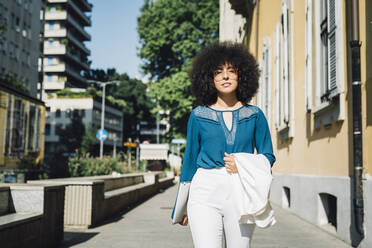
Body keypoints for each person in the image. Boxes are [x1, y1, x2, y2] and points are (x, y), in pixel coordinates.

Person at [172, 41, 276, 248]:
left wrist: (243, 164)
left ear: (242, 75)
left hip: (241, 191)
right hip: (204, 191)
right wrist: (181, 207)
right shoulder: (198, 115)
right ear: (210, 78)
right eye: (218, 72)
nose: (225, 76)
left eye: (231, 71)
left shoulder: (255, 115)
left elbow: (268, 155)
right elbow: (190, 161)